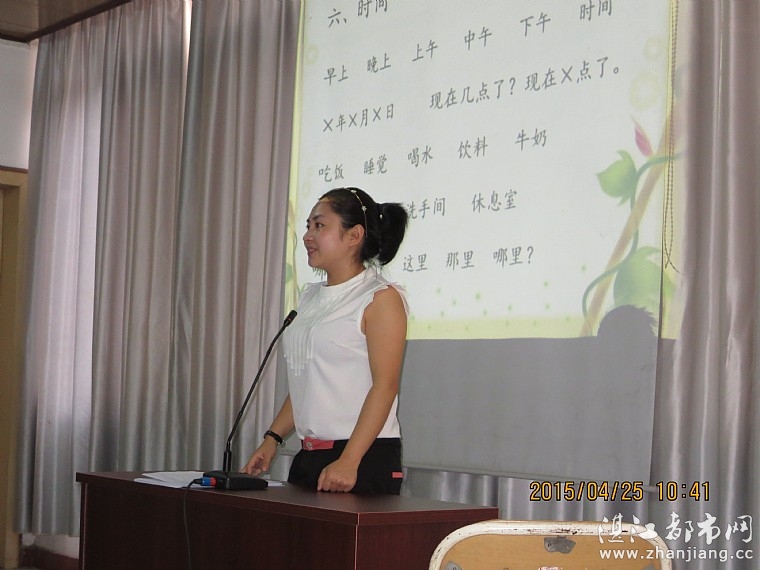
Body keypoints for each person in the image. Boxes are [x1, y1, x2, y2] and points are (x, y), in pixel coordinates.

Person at [242, 186, 409, 494]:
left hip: (361, 458)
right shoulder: (309, 297)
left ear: (354, 235)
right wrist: (272, 438)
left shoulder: (380, 298)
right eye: (308, 226)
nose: (307, 236)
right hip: (310, 455)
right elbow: (308, 381)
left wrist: (350, 460)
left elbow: (385, 386)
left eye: (319, 226)